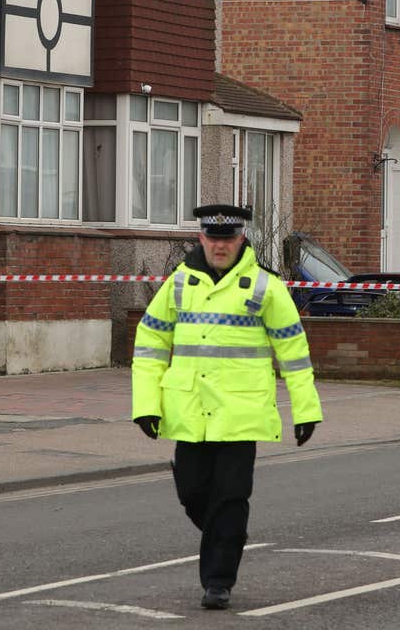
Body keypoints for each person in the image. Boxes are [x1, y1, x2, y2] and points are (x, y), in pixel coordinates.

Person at [132, 203, 323, 610]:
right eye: (213, 238)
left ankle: (218, 582)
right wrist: (145, 405)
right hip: (189, 412)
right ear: (201, 238)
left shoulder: (264, 286)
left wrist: (306, 410)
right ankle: (228, 535)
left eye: (228, 239)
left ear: (241, 239)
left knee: (231, 497)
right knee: (193, 493)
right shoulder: (179, 284)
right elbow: (149, 347)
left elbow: (293, 352)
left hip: (241, 414)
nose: (220, 246)